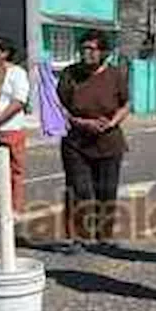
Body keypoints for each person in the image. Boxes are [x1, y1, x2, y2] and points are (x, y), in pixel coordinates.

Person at [56, 30, 130, 254]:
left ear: (103, 52)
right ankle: (78, 237)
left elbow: (125, 104)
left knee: (107, 191)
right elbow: (58, 107)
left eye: (92, 49)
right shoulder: (70, 74)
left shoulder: (116, 75)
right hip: (76, 142)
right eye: (84, 48)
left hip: (108, 140)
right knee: (79, 190)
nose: (86, 53)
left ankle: (105, 236)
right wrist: (79, 122)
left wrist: (111, 123)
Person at [0, 37, 30, 223]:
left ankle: (15, 209)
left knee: (13, 171)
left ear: (4, 53)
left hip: (10, 128)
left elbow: (19, 101)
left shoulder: (16, 73)